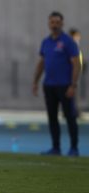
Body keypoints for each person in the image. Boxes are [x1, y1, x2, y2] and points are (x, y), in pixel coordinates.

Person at [32, 11, 81, 157]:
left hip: (65, 86)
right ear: (49, 23)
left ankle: (74, 148)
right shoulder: (46, 42)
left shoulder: (68, 42)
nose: (54, 25)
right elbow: (42, 63)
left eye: (57, 22)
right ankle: (56, 148)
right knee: (52, 117)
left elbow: (76, 64)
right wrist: (35, 81)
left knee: (70, 117)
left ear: (62, 23)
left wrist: (73, 85)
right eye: (52, 22)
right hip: (49, 85)